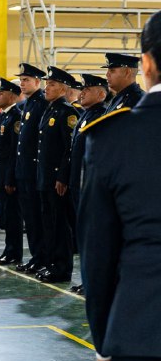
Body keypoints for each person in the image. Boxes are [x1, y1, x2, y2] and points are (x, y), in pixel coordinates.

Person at [78, 11, 161, 361]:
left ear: (146, 64)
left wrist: (104, 340)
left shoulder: (112, 137)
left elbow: (98, 254)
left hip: (141, 332)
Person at [32, 66, 78, 283]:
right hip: (44, 179)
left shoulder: (67, 112)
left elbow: (70, 148)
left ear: (62, 88)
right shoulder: (50, 110)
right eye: (47, 84)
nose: (46, 88)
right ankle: (52, 264)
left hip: (56, 181)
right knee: (48, 223)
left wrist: (62, 176)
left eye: (51, 84)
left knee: (60, 225)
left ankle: (62, 268)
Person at [67, 73, 108, 295]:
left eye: (88, 89)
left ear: (101, 94)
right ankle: (86, 279)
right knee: (83, 235)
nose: (81, 93)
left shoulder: (100, 115)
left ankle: (93, 280)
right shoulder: (85, 115)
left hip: (89, 183)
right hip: (78, 183)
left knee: (93, 237)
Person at [13, 63, 48, 275]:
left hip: (34, 171)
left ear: (37, 81)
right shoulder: (28, 104)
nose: (22, 83)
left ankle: (42, 257)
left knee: (37, 219)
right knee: (31, 219)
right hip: (25, 171)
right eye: (22, 80)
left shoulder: (41, 103)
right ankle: (36, 256)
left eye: (26, 80)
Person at [0, 78, 22, 265]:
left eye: (1, 93)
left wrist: (10, 179)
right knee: (5, 215)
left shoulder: (15, 116)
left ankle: (14, 252)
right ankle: (8, 250)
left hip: (8, 174)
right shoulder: (3, 116)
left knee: (12, 217)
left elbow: (13, 151)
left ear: (11, 95)